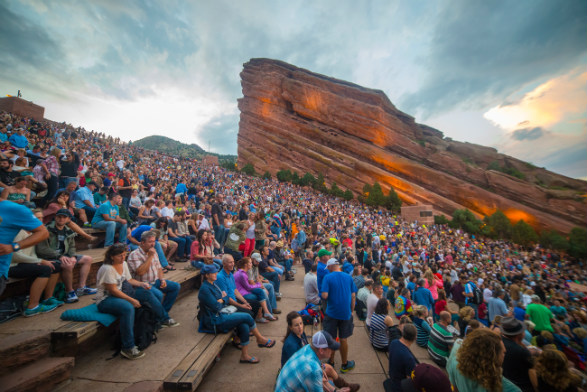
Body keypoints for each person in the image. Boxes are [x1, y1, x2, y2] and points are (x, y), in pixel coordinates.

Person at [95, 244, 162, 360]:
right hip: (106, 300)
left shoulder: (123, 264)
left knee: (146, 294)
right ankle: (128, 347)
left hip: (121, 295)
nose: (123, 258)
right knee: (128, 308)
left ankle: (159, 321)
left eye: (124, 255)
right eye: (120, 256)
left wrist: (141, 284)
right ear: (111, 257)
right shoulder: (107, 268)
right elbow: (113, 290)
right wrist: (131, 300)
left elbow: (129, 280)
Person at [197, 264, 274, 365]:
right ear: (207, 275)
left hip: (223, 313)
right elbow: (217, 306)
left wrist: (222, 299)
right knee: (246, 316)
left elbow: (223, 298)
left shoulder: (213, 284)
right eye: (213, 272)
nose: (216, 274)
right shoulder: (204, 289)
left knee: (244, 324)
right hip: (215, 320)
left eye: (216, 272)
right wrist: (223, 299)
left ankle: (244, 356)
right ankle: (260, 339)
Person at [9, 210, 63, 316]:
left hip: (24, 263)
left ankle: (48, 298)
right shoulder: (19, 232)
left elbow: (32, 253)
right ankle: (32, 306)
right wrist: (39, 261)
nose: (40, 221)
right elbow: (15, 255)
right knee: (45, 269)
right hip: (12, 265)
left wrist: (38, 261)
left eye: (41, 218)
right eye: (37, 218)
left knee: (55, 266)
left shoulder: (34, 232)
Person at [35, 209, 97, 303]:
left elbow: (72, 246)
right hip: (51, 257)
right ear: (55, 217)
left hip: (65, 255)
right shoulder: (47, 229)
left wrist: (72, 256)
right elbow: (42, 249)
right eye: (59, 217)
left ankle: (81, 288)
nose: (61, 219)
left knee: (88, 259)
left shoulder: (68, 230)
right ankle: (69, 292)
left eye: (64, 217)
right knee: (68, 265)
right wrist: (60, 256)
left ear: (68, 219)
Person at [126, 230, 180, 328]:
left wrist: (162, 280)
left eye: (154, 241)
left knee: (175, 286)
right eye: (150, 241)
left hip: (155, 281)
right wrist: (149, 257)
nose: (153, 244)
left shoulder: (153, 252)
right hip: (141, 285)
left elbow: (159, 268)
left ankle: (160, 315)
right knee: (158, 294)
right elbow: (140, 272)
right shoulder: (135, 255)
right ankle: (164, 318)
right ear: (142, 242)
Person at [447, 328, 521, 392]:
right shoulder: (510, 388)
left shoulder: (457, 361)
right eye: (503, 352)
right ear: (492, 357)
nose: (505, 352)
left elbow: (454, 387)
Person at [275, 330, 348, 392]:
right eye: (331, 348)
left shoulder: (308, 348)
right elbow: (313, 372)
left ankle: (344, 386)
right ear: (321, 350)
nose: (332, 350)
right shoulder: (313, 369)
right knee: (329, 381)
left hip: (282, 387)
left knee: (327, 372)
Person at [321, 258, 358, 373]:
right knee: (343, 338)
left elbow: (325, 296)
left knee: (331, 338)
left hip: (331, 313)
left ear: (331, 266)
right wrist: (351, 310)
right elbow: (353, 296)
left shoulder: (327, 277)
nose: (328, 271)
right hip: (345, 313)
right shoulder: (348, 277)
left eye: (328, 268)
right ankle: (344, 364)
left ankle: (331, 361)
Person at [234, 256, 277, 322]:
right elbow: (248, 287)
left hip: (245, 291)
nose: (251, 264)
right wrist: (259, 285)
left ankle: (266, 312)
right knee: (260, 294)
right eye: (250, 263)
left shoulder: (243, 272)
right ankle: (263, 314)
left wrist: (260, 285)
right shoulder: (242, 274)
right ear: (246, 265)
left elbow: (254, 281)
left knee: (261, 291)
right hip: (242, 294)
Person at [500, 317, 536, 392]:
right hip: (522, 387)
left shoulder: (499, 342)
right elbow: (532, 371)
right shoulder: (522, 351)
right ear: (519, 334)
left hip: (505, 385)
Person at [387, 323, 419, 391]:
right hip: (399, 386)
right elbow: (409, 382)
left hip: (393, 377)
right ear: (415, 338)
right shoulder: (409, 358)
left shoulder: (394, 342)